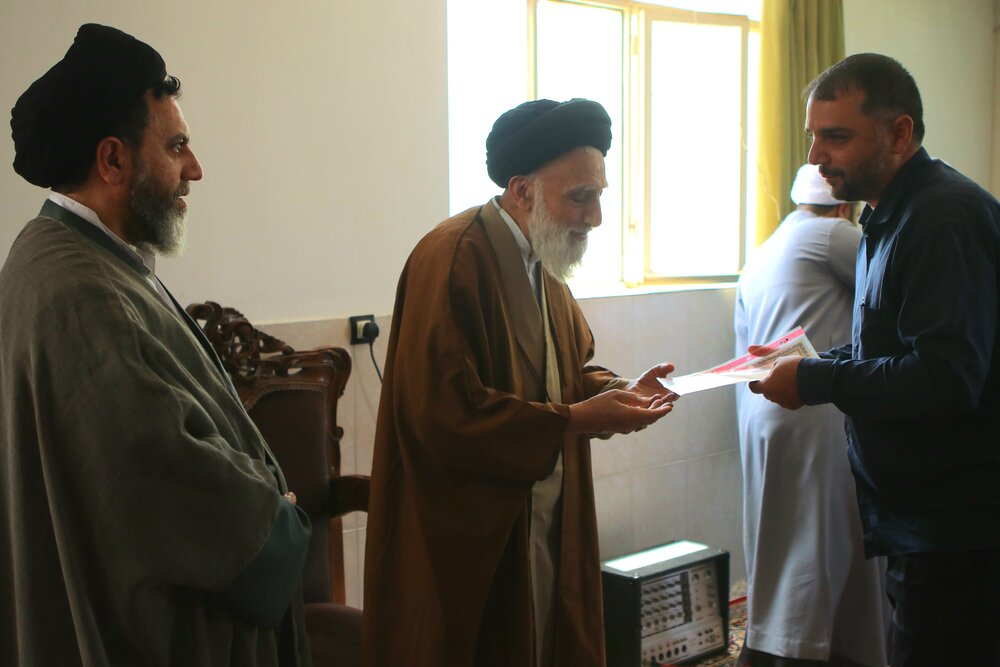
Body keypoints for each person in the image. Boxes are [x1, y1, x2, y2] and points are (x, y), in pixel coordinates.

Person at [1, 24, 313, 667]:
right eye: (175, 147)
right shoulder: (80, 291)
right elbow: (154, 470)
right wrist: (274, 522)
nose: (194, 169)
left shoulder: (72, 255)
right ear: (113, 161)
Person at [361, 98, 676, 667]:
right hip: (475, 534)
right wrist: (577, 419)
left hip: (546, 516)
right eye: (579, 197)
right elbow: (444, 415)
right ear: (522, 190)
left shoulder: (544, 258)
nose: (595, 217)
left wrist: (619, 390)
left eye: (599, 195)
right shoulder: (454, 257)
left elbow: (563, 374)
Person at [750, 53, 1000, 667]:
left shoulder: (942, 218)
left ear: (898, 133)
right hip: (918, 520)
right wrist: (801, 361)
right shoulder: (888, 215)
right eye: (813, 136)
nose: (816, 157)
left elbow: (944, 377)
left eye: (836, 137)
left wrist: (814, 379)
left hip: (956, 528)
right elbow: (887, 348)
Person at [735, 163, 889, 667]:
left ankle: (771, 646)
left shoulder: (765, 250)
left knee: (781, 542)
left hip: (765, 413)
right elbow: (894, 285)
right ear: (845, 207)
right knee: (826, 544)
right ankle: (821, 652)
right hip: (813, 412)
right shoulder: (832, 234)